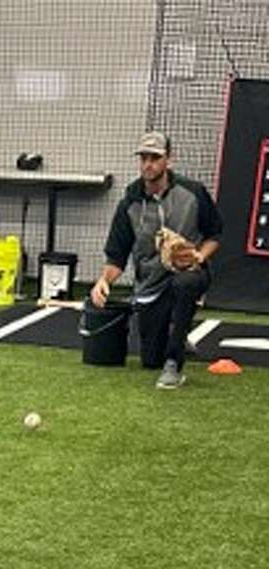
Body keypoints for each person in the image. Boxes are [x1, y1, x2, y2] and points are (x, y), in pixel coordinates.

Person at [89, 131, 223, 389]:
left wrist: (199, 256)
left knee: (185, 284)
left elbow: (214, 235)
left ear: (168, 160)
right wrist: (103, 281)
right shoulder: (129, 203)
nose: (148, 164)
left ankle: (174, 363)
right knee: (150, 359)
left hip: (189, 273)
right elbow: (117, 255)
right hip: (151, 284)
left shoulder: (193, 193)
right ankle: (175, 337)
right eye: (144, 158)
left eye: (155, 158)